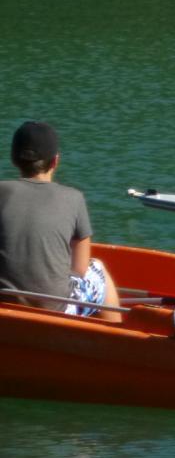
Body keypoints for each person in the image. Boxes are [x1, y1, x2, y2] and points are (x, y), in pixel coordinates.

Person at [0, 121, 122, 323]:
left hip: (4, 303)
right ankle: (117, 337)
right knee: (98, 269)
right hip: (56, 309)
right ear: (55, 161)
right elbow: (80, 268)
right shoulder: (73, 198)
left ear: (14, 159)